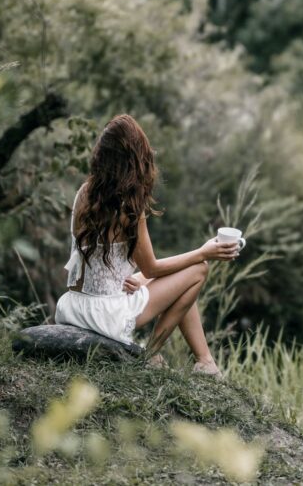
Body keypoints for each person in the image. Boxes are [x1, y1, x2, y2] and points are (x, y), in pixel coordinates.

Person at [54, 114, 239, 375]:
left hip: (73, 305)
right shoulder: (128, 205)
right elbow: (152, 268)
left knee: (179, 276)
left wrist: (138, 280)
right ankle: (149, 354)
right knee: (198, 270)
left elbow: (110, 268)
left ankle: (205, 362)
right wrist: (203, 252)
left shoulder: (84, 193)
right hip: (106, 315)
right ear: (135, 159)